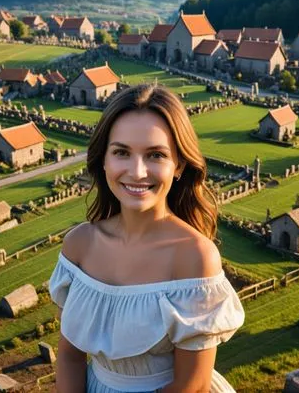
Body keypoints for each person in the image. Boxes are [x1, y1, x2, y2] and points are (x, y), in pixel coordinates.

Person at [49, 84, 245, 393]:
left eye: (155, 155)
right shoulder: (79, 246)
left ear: (178, 165)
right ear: (104, 160)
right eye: (122, 152)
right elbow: (71, 357)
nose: (137, 171)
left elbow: (191, 385)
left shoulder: (194, 257)